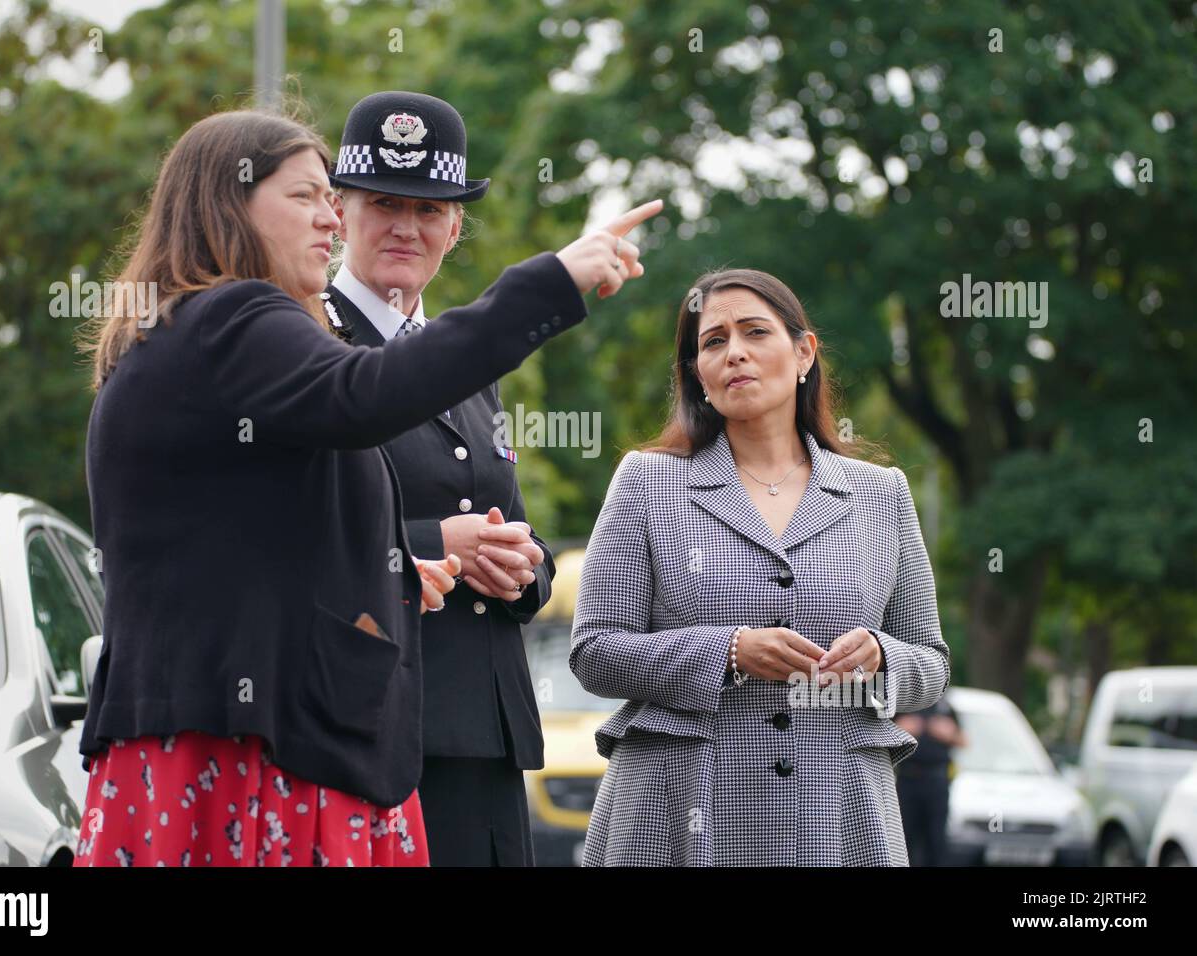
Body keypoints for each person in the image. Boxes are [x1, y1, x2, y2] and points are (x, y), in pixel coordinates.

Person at [74, 107, 660, 866]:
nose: (329, 218)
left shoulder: (185, 331)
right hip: (251, 743)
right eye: (311, 198)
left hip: (246, 738)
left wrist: (395, 574)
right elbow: (365, 395)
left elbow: (241, 538)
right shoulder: (237, 316)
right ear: (230, 202)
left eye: (330, 198)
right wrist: (554, 282)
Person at [570, 268, 951, 866]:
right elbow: (594, 652)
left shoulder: (881, 494)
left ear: (804, 353)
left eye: (755, 332)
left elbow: (930, 665)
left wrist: (881, 655)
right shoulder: (646, 483)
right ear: (697, 373)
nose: (735, 353)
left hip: (838, 818)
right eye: (713, 341)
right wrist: (727, 651)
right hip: (678, 815)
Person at [322, 91, 551, 866]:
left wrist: (523, 565)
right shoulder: (307, 344)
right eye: (384, 202)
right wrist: (436, 544)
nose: (405, 227)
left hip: (485, 741)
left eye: (429, 209)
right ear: (339, 208)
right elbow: (287, 535)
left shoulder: (470, 362)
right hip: (367, 731)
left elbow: (519, 529)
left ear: (455, 228)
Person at [895, 695, 966, 866]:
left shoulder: (945, 706)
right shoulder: (903, 703)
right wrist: (900, 729)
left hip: (936, 781)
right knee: (903, 839)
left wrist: (949, 733)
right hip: (907, 780)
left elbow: (963, 740)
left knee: (936, 839)